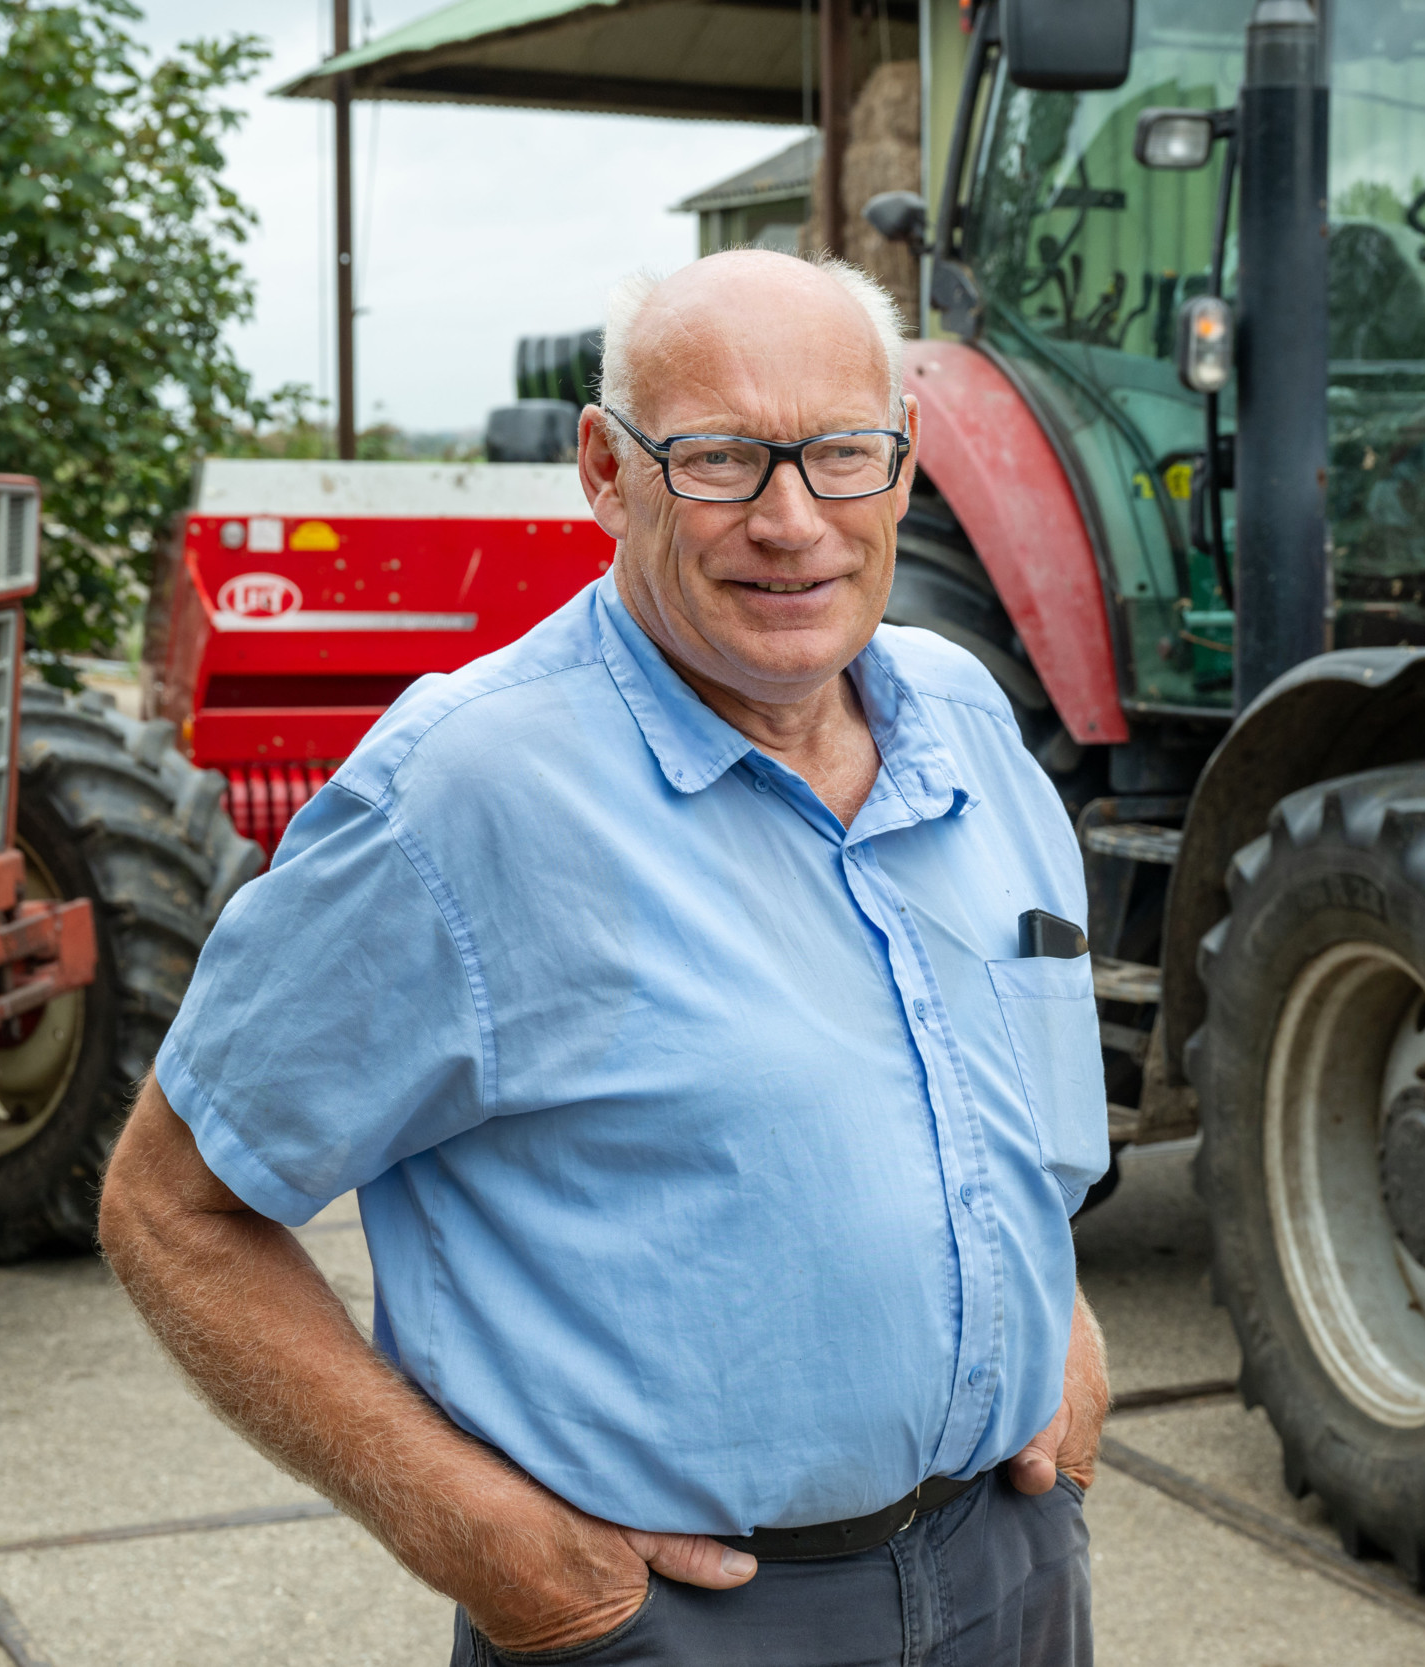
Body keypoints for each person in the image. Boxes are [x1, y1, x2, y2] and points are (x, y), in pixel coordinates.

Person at [99, 248, 1111, 1666]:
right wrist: (494, 1547)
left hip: (1013, 1569)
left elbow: (998, 1107)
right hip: (684, 1631)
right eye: (717, 460)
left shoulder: (965, 717)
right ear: (605, 470)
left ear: (904, 463)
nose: (789, 519)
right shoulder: (466, 796)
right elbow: (174, 1212)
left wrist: (1063, 1337)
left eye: (840, 454)